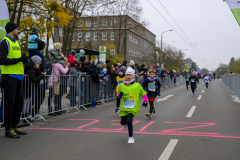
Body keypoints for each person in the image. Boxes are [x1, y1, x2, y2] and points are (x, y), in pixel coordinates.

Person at [0, 22, 28, 138]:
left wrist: (23, 60)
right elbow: (2, 60)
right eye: (17, 29)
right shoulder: (4, 42)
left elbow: (17, 59)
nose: (18, 30)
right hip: (9, 76)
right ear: (12, 29)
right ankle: (8, 129)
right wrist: (18, 60)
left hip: (18, 76)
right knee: (9, 103)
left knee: (18, 103)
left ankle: (14, 125)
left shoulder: (17, 42)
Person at [117, 67, 148, 143]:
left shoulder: (137, 85)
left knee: (129, 121)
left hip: (133, 108)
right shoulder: (122, 86)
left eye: (130, 75)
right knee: (122, 123)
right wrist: (120, 95)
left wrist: (145, 100)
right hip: (124, 108)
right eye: (127, 75)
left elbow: (144, 93)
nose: (128, 76)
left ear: (133, 76)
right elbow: (118, 96)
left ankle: (131, 137)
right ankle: (126, 123)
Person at [23, 56, 46, 121]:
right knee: (26, 101)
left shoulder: (34, 67)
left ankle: (26, 115)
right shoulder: (30, 68)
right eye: (39, 62)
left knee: (29, 101)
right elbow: (33, 79)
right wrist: (42, 75)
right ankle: (24, 116)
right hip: (27, 86)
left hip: (30, 86)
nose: (40, 63)